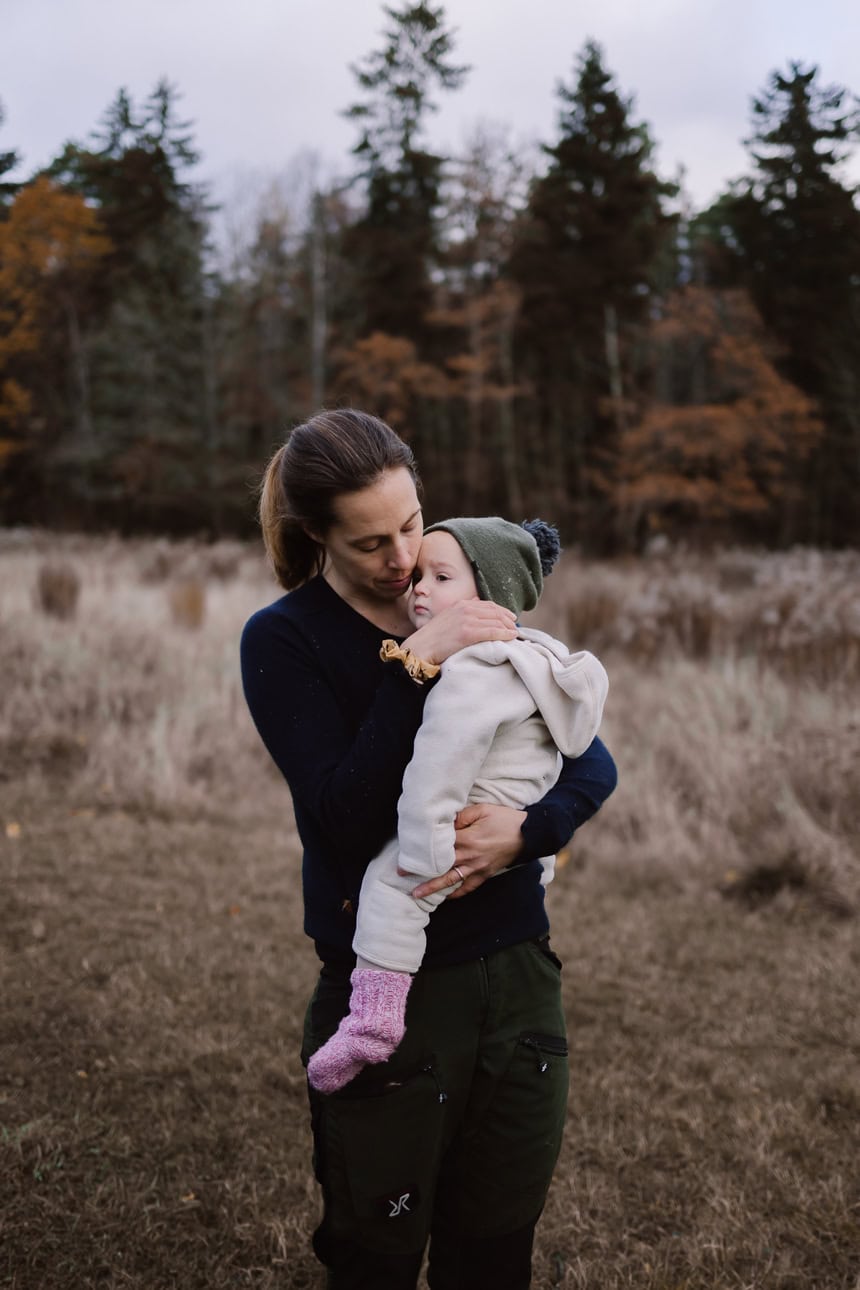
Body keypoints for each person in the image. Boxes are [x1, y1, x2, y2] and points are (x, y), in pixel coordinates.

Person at [240, 409, 617, 1290]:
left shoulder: (466, 587)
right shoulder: (286, 639)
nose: (404, 558)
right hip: (389, 989)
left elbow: (587, 762)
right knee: (377, 1257)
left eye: (411, 523)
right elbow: (342, 815)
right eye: (371, 542)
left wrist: (527, 833)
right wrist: (413, 666)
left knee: (492, 1253)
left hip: (518, 976)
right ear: (317, 537)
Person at [306, 516, 609, 1095]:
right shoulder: (537, 660)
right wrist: (533, 845)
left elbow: (440, 762)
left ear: (488, 599)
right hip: (518, 816)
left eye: (439, 577)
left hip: (463, 820)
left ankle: (372, 1019)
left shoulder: (471, 671)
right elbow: (564, 752)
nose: (418, 587)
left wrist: (421, 847)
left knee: (391, 888)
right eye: (420, 575)